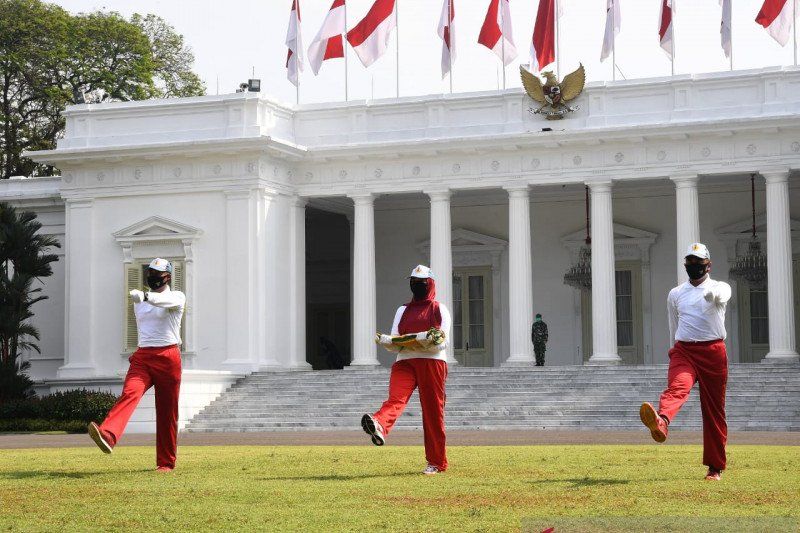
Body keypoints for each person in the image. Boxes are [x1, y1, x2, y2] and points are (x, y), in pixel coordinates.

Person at [640, 243, 731, 481]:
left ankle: (715, 467)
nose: (694, 267)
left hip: (712, 351)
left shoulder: (719, 287)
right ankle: (662, 421)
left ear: (708, 265)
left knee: (714, 411)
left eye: (698, 263)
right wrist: (673, 350)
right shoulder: (676, 293)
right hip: (684, 350)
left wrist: (713, 296)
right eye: (690, 263)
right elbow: (674, 324)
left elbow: (723, 295)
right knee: (678, 387)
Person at [87, 258, 186, 472]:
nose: (152, 276)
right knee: (130, 393)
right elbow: (149, 304)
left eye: (156, 273)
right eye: (150, 272)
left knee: (167, 411)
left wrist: (146, 296)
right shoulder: (139, 301)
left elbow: (164, 303)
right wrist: (143, 297)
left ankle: (166, 463)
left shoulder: (177, 297)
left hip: (168, 356)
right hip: (143, 356)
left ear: (167, 276)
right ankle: (108, 435)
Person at [361, 265, 452, 475]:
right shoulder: (402, 310)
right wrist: (390, 342)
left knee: (433, 413)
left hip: (433, 362)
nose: (417, 286)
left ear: (430, 284)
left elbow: (442, 343)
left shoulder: (440, 309)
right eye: (413, 282)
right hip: (405, 360)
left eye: (421, 283)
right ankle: (380, 425)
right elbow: (395, 338)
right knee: (395, 398)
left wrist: (422, 340)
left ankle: (437, 462)